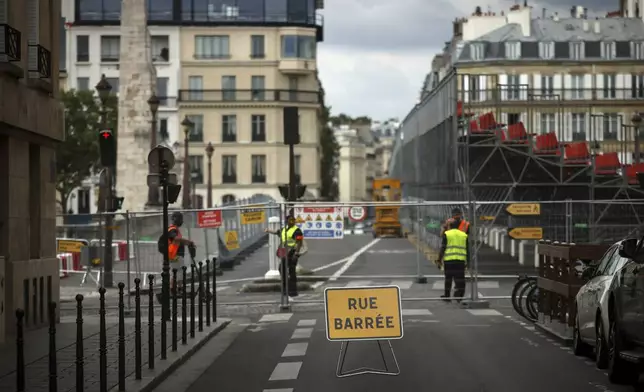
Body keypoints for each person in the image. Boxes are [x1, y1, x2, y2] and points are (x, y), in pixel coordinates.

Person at [265, 214, 304, 299]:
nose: (292, 222)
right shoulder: (284, 229)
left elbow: (299, 242)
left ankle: (292, 291)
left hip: (293, 252)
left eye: (293, 220)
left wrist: (296, 254)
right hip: (285, 251)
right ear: (286, 221)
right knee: (283, 269)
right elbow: (277, 232)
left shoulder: (297, 230)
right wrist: (269, 230)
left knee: (291, 271)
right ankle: (286, 290)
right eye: (290, 220)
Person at [437, 219, 470, 302]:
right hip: (460, 261)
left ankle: (447, 296)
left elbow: (443, 248)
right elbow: (467, 249)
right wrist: (468, 262)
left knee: (448, 279)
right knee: (460, 279)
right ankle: (459, 296)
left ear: (450, 226)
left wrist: (439, 259)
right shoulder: (463, 235)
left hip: (449, 261)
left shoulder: (447, 234)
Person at [167, 211, 194, 289]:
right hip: (174, 255)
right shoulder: (172, 229)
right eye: (181, 219)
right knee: (177, 272)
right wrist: (188, 242)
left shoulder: (175, 229)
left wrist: (187, 243)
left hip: (177, 254)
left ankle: (179, 288)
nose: (182, 221)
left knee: (179, 272)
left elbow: (178, 241)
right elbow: (176, 239)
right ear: (176, 219)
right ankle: (173, 288)